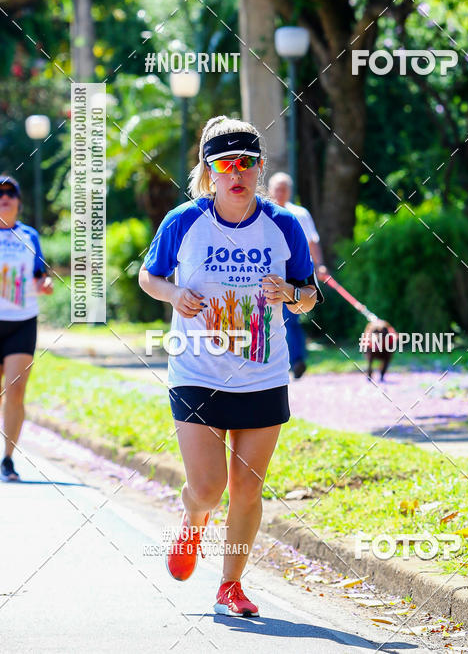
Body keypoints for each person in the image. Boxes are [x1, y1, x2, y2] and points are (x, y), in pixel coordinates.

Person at [138, 116, 322, 618]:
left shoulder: (283, 225)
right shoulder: (183, 220)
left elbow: (309, 295)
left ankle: (230, 585)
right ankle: (193, 524)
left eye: (246, 163)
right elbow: (148, 277)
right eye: (225, 164)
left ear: (260, 168)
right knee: (207, 487)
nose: (236, 173)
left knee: (246, 488)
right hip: (197, 371)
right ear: (209, 171)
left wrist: (292, 295)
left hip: (263, 372)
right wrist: (176, 293)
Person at [0, 175, 53, 481]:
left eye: (10, 193)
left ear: (18, 201)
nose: (4, 197)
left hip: (22, 323)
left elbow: (39, 275)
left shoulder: (29, 236)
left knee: (16, 390)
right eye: (0, 193)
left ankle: (7, 459)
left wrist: (44, 284)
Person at [267, 172, 325, 379]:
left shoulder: (299, 214)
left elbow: (312, 241)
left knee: (291, 319)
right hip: (270, 274)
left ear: (289, 191)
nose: (280, 193)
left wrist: (319, 266)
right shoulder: (262, 214)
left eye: (284, 189)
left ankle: (297, 360)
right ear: (271, 190)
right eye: (277, 189)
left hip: (295, 274)